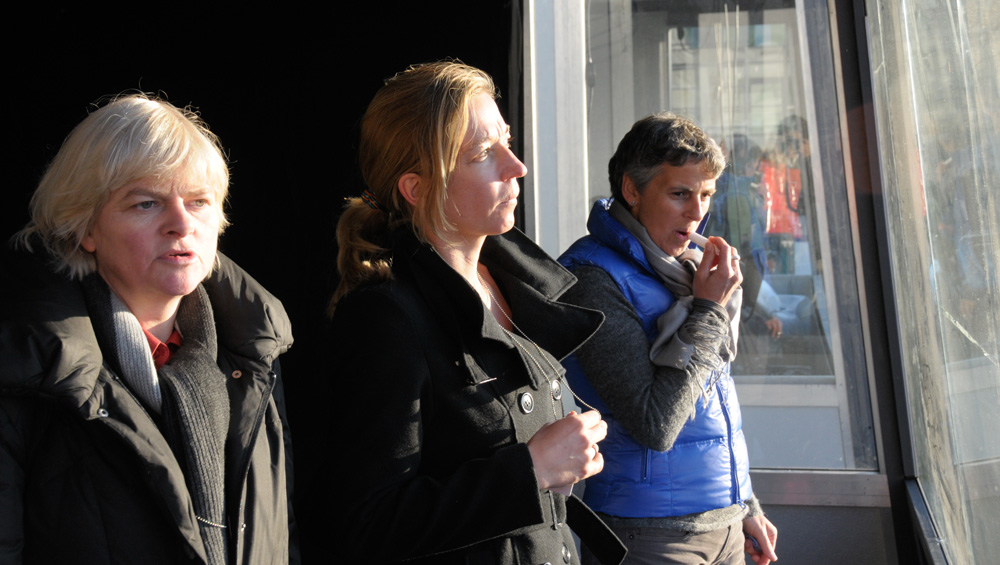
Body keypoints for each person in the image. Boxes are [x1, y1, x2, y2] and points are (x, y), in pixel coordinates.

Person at [329, 61, 625, 564]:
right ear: (418, 187)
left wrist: (558, 461)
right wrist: (532, 468)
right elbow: (366, 525)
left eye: (506, 141)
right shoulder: (385, 319)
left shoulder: (507, 284)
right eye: (484, 153)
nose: (517, 166)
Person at [1, 94, 297, 564]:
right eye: (146, 203)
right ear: (85, 228)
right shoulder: (26, 369)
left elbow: (281, 537)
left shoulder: (255, 351)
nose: (181, 224)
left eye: (199, 202)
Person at [558, 113, 779, 565]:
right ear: (632, 190)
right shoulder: (593, 279)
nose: (698, 212)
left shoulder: (687, 267)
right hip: (647, 534)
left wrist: (743, 503)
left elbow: (711, 399)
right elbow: (655, 425)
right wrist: (709, 311)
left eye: (706, 195)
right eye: (680, 194)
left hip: (725, 525)